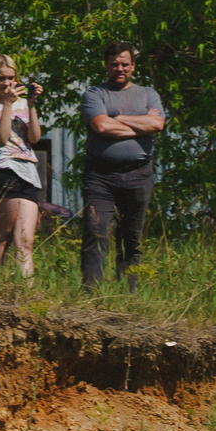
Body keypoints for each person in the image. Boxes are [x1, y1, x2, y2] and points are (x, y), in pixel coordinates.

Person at [79, 40, 162, 291]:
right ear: (106, 66)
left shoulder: (148, 94)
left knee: (132, 238)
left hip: (139, 175)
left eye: (124, 64)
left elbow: (157, 125)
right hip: (100, 177)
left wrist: (120, 119)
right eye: (114, 64)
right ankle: (91, 294)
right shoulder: (95, 94)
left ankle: (129, 294)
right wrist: (141, 124)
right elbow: (101, 126)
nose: (120, 68)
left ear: (133, 66)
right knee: (96, 232)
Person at [0, 55, 44, 278]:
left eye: (11, 78)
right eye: (1, 78)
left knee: (25, 241)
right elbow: (2, 139)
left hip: (28, 172)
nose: (6, 83)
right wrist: (7, 104)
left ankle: (25, 293)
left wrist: (31, 106)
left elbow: (34, 139)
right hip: (3, 170)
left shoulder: (22, 103)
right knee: (3, 236)